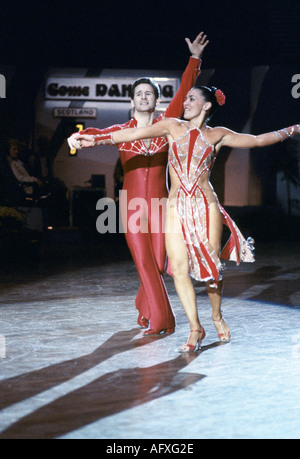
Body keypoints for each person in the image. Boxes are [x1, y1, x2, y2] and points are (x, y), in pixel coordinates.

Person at [73, 83, 300, 352]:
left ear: (205, 105)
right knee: (179, 269)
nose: (185, 102)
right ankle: (195, 327)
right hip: (175, 207)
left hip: (206, 206)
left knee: (212, 271)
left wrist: (294, 129)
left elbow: (259, 140)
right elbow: (132, 132)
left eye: (191, 98)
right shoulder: (171, 126)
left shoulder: (218, 134)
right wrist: (95, 139)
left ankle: (216, 316)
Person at [68, 32, 209, 336]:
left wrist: (194, 59)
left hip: (160, 206)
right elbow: (97, 132)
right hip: (131, 208)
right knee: (144, 263)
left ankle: (144, 306)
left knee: (158, 264)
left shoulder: (166, 123)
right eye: (139, 93)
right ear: (132, 100)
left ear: (156, 100)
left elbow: (185, 87)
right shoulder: (122, 130)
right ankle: (162, 321)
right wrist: (78, 138)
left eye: (149, 93)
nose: (144, 97)